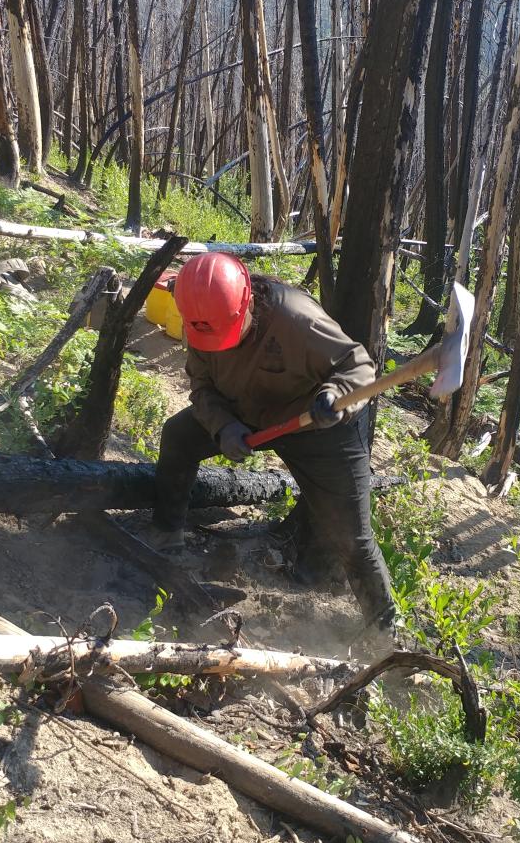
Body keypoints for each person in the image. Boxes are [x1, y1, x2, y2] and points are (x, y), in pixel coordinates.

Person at [152, 251, 396, 627]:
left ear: (247, 300)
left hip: (318, 427)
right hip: (245, 416)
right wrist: (224, 427)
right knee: (178, 436)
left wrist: (334, 395)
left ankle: (384, 634)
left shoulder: (296, 318)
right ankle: (165, 535)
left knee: (352, 537)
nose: (221, 345)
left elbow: (358, 365)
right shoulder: (200, 315)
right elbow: (201, 387)